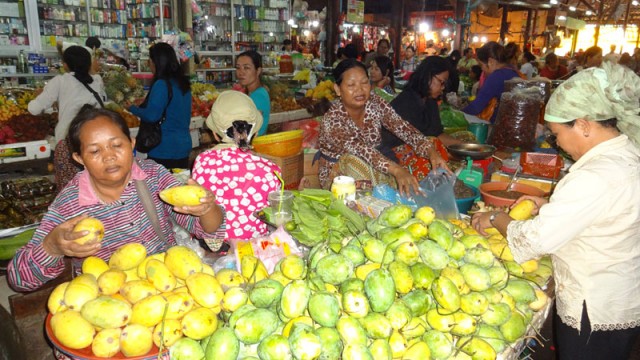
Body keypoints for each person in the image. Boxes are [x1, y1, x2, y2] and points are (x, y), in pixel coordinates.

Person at [471, 62, 640, 360]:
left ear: (584, 125)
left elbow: (535, 241)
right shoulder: (626, 154)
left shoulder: (594, 176)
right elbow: (605, 214)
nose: (557, 143)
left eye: (556, 133)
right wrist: (551, 207)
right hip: (617, 294)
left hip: (594, 308)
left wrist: (496, 217)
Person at [8, 107, 225, 292]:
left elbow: (207, 230)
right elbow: (19, 279)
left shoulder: (153, 176)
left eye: (117, 145)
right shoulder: (69, 205)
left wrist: (206, 208)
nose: (109, 156)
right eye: (94, 151)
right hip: (109, 303)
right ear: (79, 158)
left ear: (131, 144)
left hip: (166, 286)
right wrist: (52, 246)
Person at [316, 59, 448, 196]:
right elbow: (362, 151)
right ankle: (386, 194)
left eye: (364, 82)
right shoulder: (332, 120)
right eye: (351, 85)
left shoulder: (375, 102)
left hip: (379, 161)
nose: (360, 90)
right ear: (338, 89)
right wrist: (397, 170)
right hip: (342, 177)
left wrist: (430, 151)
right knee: (354, 163)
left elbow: (402, 128)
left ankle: (407, 190)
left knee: (430, 144)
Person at [192, 91, 281, 243]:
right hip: (255, 251)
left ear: (214, 133)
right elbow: (276, 216)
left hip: (212, 249)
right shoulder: (270, 170)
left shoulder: (201, 162)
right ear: (256, 132)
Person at [28, 46, 107, 191]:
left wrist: (37, 96)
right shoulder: (97, 80)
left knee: (69, 189)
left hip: (68, 142)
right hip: (94, 141)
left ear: (65, 65)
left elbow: (34, 109)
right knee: (95, 185)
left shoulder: (60, 81)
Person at [378, 56, 462, 180]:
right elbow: (424, 139)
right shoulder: (407, 101)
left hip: (422, 147)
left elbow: (438, 133)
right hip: (392, 155)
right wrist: (458, 152)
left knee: (463, 138)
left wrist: (467, 147)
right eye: (441, 82)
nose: (443, 88)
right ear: (428, 76)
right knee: (433, 143)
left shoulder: (429, 101)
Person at [128, 43, 192, 170]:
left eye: (150, 61)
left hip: (164, 147)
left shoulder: (161, 84)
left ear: (156, 62)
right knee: (179, 185)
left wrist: (132, 108)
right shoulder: (182, 83)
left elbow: (152, 116)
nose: (149, 64)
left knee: (163, 187)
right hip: (183, 145)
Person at [462, 41, 520, 123]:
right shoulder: (512, 71)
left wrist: (458, 114)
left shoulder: (497, 76)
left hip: (501, 126)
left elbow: (476, 107)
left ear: (491, 62)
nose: (482, 69)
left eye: (481, 65)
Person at [235, 50, 270, 136]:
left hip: (254, 146)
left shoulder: (258, 96)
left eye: (246, 68)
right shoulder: (253, 93)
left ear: (258, 71)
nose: (241, 72)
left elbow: (245, 133)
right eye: (238, 67)